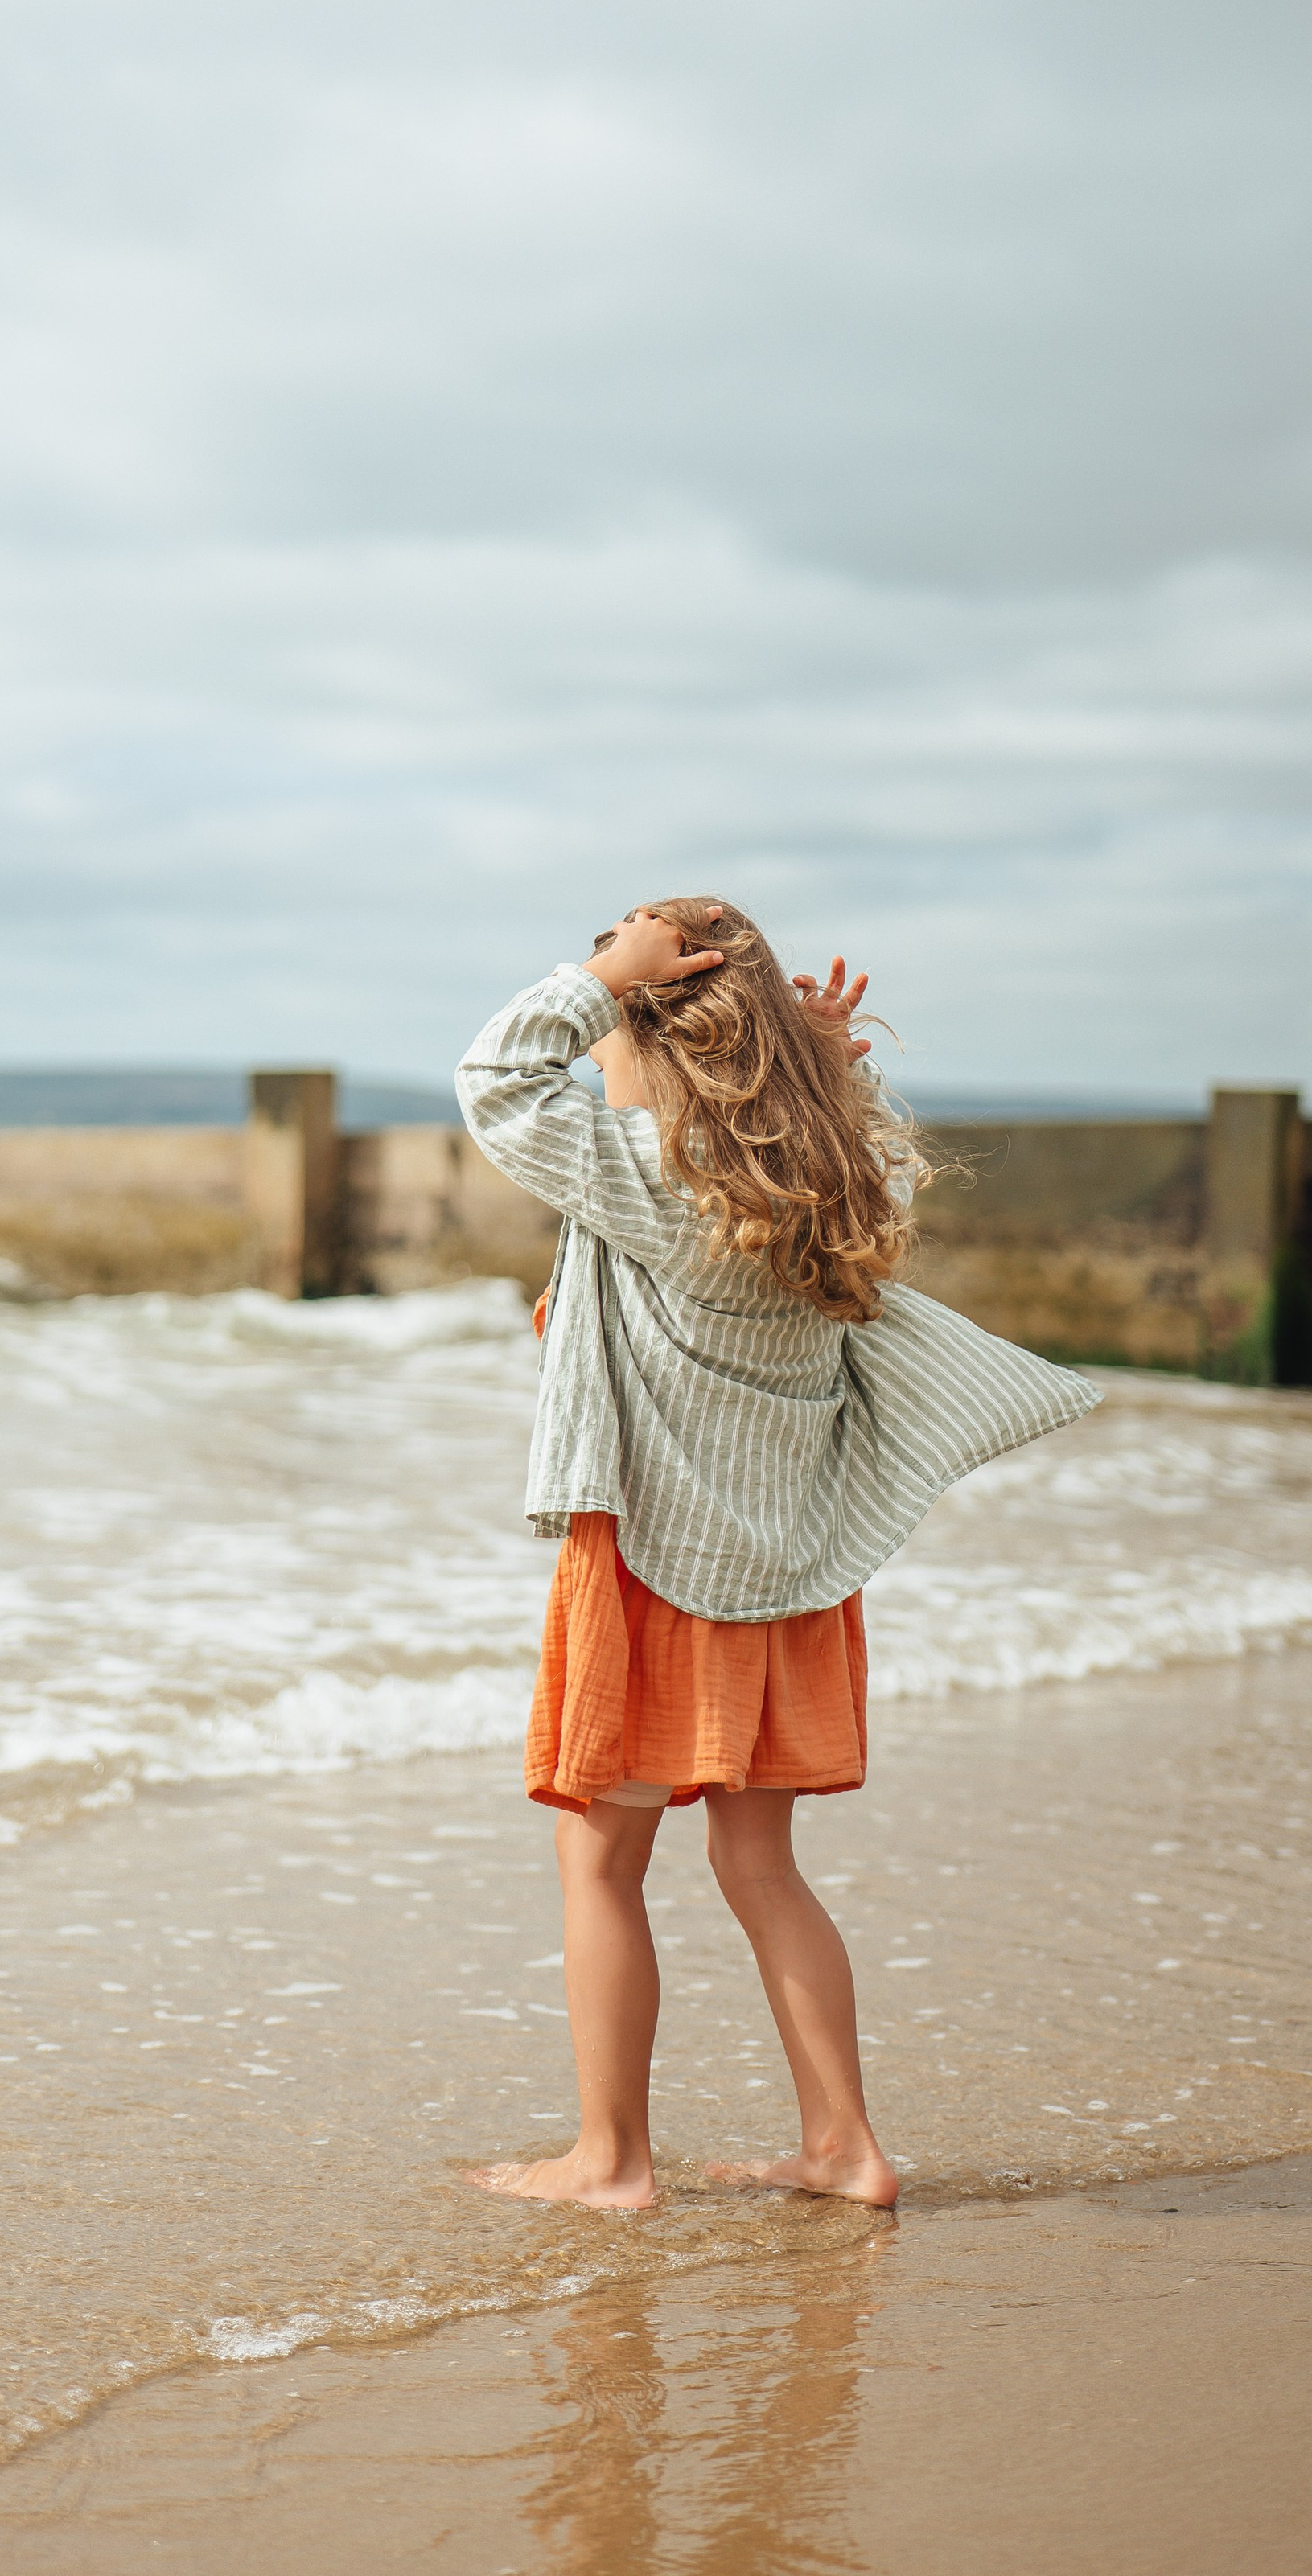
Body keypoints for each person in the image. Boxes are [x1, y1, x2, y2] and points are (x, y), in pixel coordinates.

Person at [454, 898, 1100, 2211]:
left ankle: (610, 2162)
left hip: (650, 1570)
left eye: (615, 1037)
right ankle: (844, 2146)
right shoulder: (843, 1188)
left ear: (650, 1040)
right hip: (792, 1581)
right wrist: (832, 1074)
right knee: (761, 1868)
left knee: (601, 1866)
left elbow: (495, 1079)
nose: (597, 1064)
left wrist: (592, 976)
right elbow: (860, 1154)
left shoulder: (648, 1179)